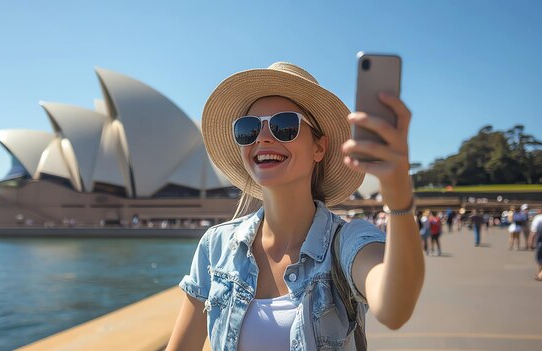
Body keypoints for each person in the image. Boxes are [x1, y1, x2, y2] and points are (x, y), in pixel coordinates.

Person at [166, 62, 425, 350]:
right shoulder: (216, 246)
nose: (263, 137)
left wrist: (398, 196)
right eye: (248, 129)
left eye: (284, 125)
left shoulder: (347, 243)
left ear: (319, 148)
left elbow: (395, 307)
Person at [531, 209, 542, 281]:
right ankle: (540, 274)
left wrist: (530, 242)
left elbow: (533, 232)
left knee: (540, 259)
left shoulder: (537, 219)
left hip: (540, 242)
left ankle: (540, 274)